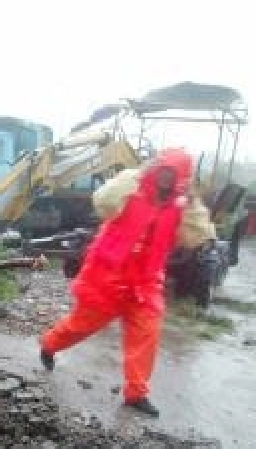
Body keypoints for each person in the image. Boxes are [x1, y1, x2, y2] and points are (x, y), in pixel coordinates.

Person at [39, 147, 216, 417]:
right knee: (81, 325)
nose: (166, 178)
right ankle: (49, 344)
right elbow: (103, 202)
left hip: (145, 282)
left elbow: (196, 236)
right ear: (156, 169)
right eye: (163, 171)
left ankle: (136, 394)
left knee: (147, 335)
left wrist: (192, 200)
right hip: (108, 275)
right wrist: (136, 175)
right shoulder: (131, 188)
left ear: (181, 177)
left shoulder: (182, 206)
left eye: (173, 174)